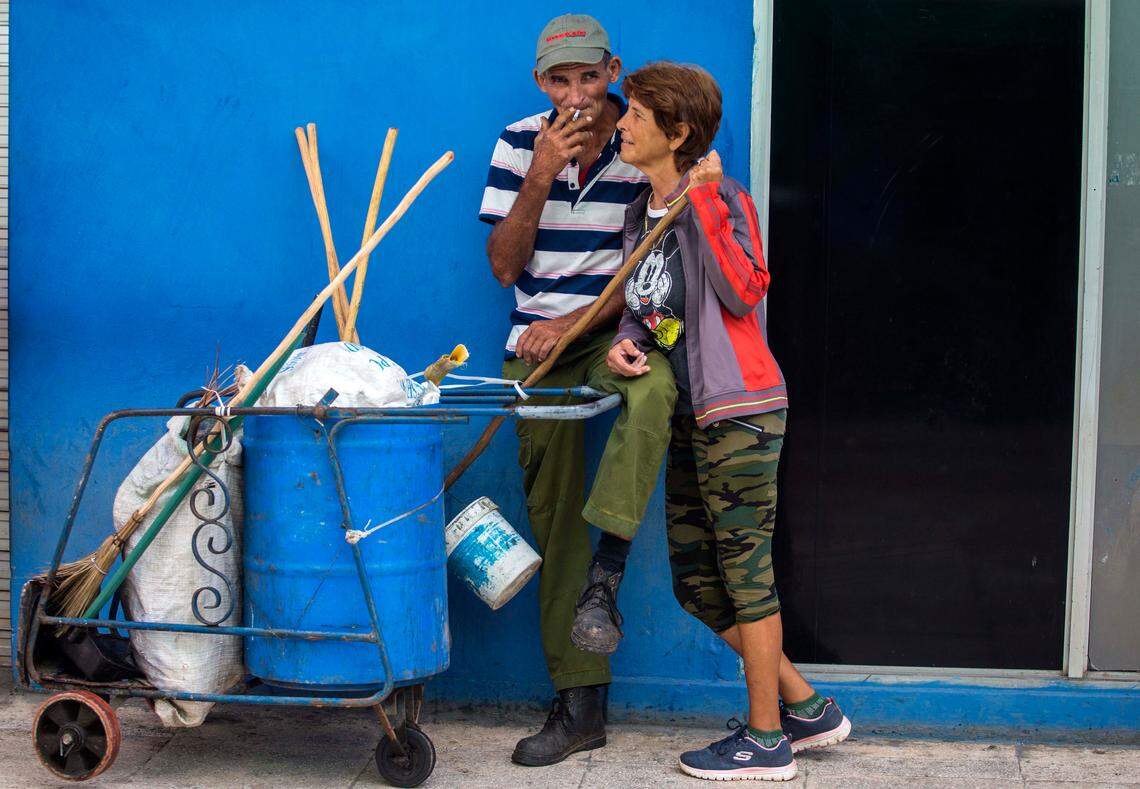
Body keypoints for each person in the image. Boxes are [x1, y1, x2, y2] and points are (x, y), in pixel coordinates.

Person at [605, 62, 851, 781]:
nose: (623, 125)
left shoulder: (723, 198)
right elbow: (653, 304)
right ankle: (807, 707)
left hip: (739, 413)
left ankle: (768, 738)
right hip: (688, 417)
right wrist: (630, 337)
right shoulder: (637, 214)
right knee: (697, 584)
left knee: (745, 574)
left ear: (677, 132)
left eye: (638, 117)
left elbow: (744, 290)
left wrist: (705, 201)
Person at [478, 15, 677, 766]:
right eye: (559, 81)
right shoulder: (515, 140)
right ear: (541, 83)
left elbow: (651, 266)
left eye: (589, 78)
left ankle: (609, 569)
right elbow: (503, 268)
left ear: (612, 70)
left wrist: (580, 322)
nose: (577, 95)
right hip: (537, 347)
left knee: (657, 386)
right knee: (553, 511)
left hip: (613, 327)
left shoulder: (641, 141)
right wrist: (537, 174)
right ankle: (581, 701)